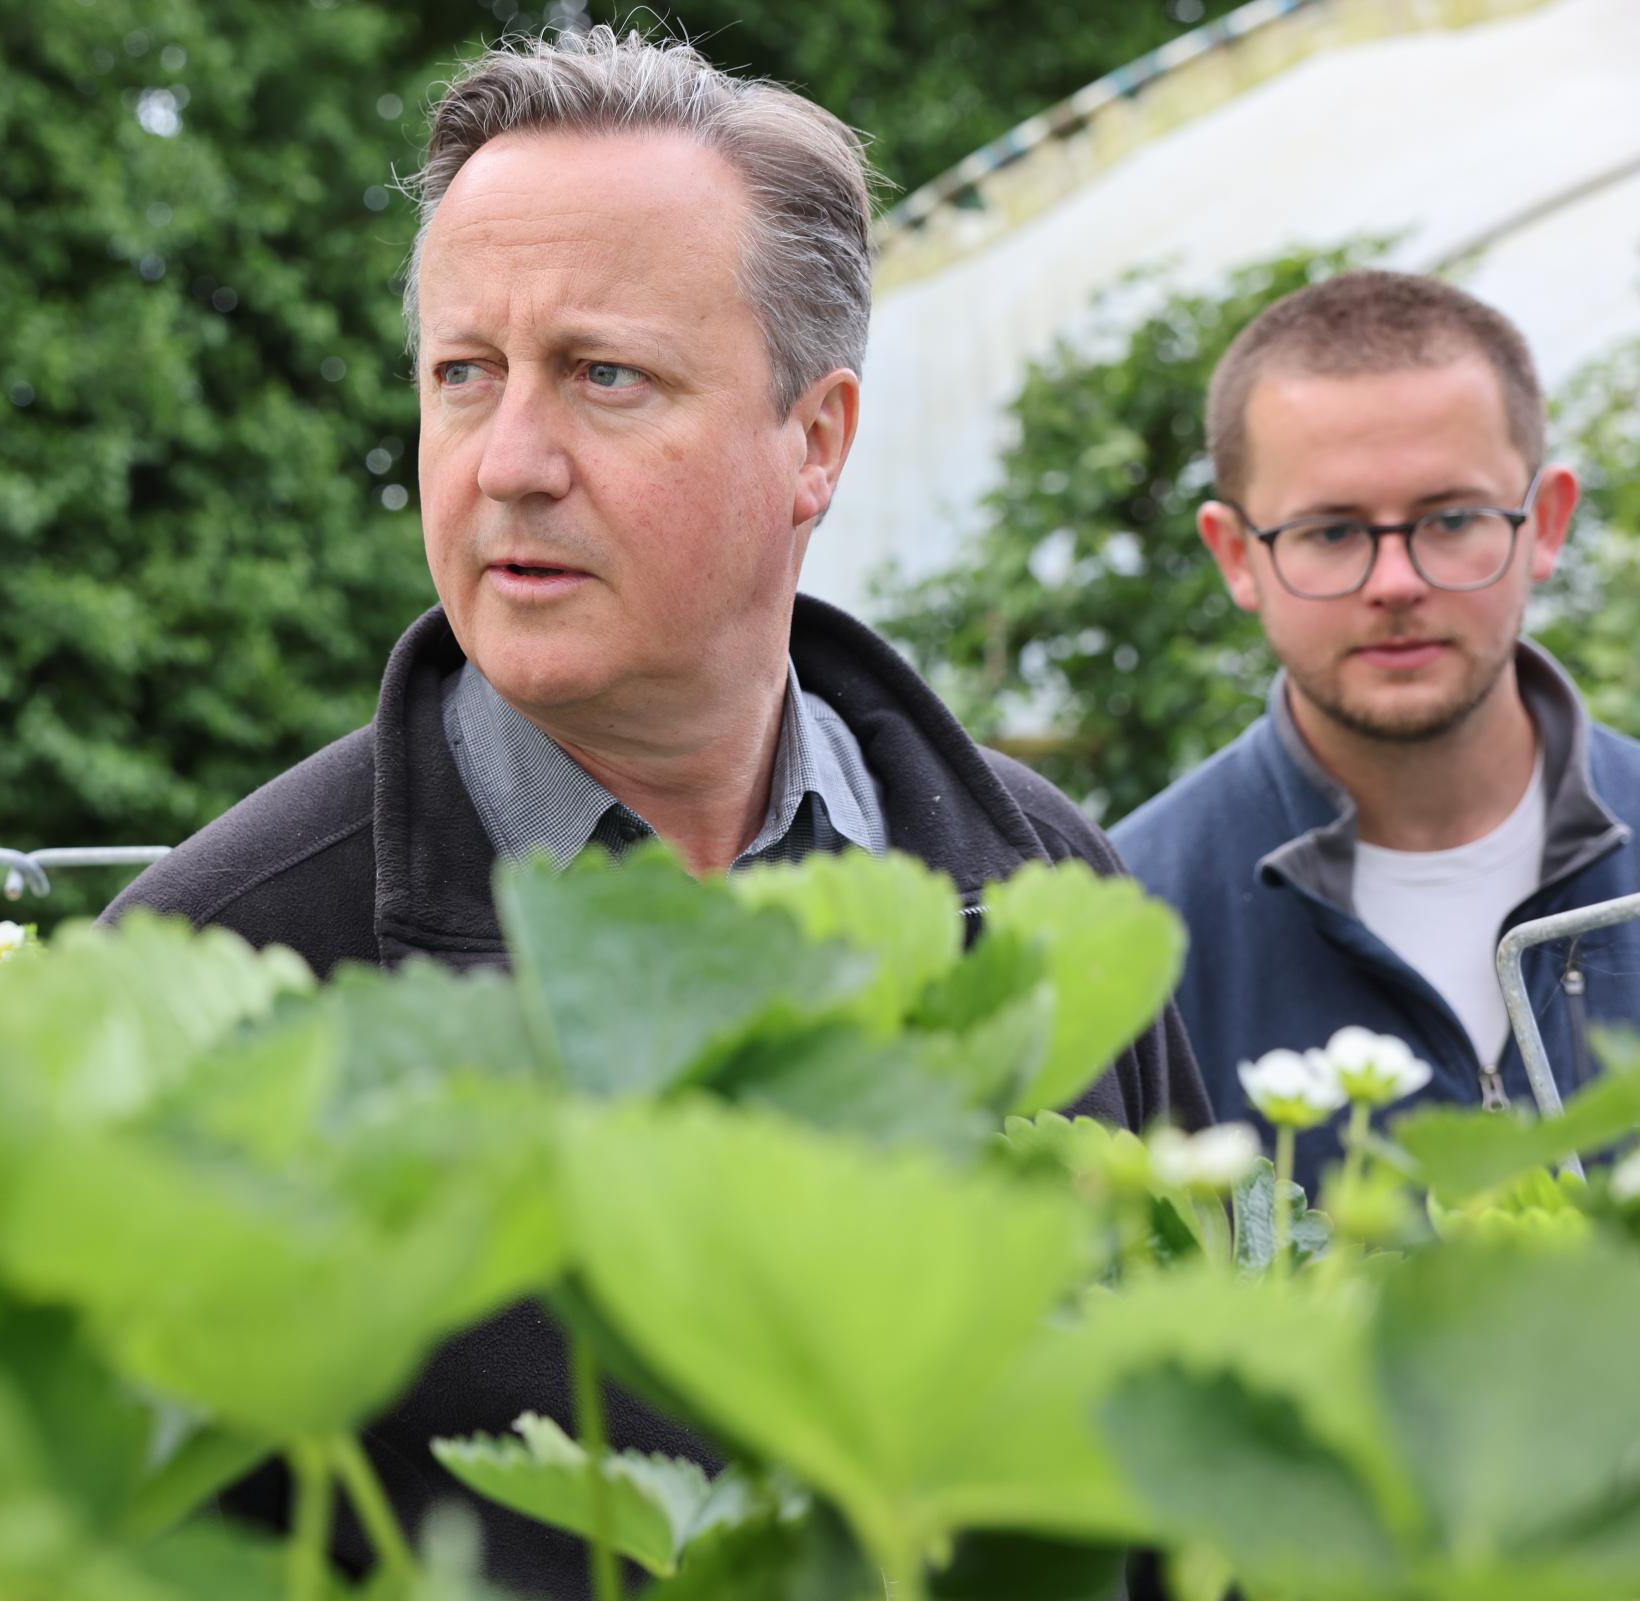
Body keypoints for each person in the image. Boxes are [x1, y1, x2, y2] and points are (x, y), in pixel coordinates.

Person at [111, 28, 1207, 1594]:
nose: (510, 462)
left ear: (813, 440)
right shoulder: (223, 964)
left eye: (603, 375)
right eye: (463, 376)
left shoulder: (1046, 896)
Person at [1113, 269, 1639, 1188]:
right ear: (1237, 556)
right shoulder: (1130, 934)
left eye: (1452, 518)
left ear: (1544, 524)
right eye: (1331, 532)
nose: (1396, 581)